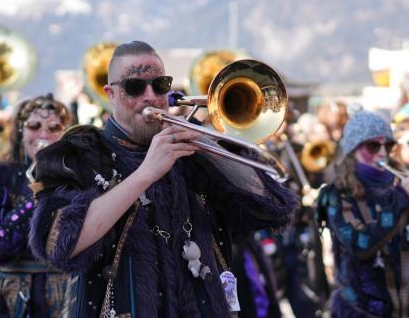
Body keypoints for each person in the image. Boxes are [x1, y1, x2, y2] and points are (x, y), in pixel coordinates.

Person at [29, 41, 298, 317]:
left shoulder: (193, 150)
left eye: (159, 85)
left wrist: (212, 146)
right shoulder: (81, 153)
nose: (150, 96)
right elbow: (58, 244)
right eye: (135, 87)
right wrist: (146, 172)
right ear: (110, 93)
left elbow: (271, 209)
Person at [0, 94, 71, 317]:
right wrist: (38, 188)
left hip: (67, 298)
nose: (44, 134)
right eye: (34, 126)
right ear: (21, 132)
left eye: (54, 127)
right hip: (15, 299)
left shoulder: (78, 179)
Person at [317, 111, 409, 317]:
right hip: (361, 310)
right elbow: (361, 244)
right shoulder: (336, 195)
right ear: (353, 150)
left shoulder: (398, 186)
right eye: (373, 146)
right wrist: (401, 199)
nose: (383, 153)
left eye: (388, 145)